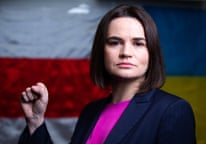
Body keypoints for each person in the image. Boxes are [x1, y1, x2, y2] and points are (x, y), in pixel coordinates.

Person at [18, 4, 196, 144]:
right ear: (101, 51)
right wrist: (35, 121)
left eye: (138, 43)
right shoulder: (90, 112)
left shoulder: (172, 111)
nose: (126, 52)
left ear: (152, 52)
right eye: (115, 42)